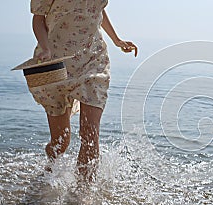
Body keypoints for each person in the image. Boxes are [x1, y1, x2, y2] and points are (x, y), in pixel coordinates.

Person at [30, 0, 138, 181]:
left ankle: (83, 195)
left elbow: (97, 12)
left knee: (90, 131)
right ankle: (50, 170)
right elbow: (38, 19)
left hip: (93, 60)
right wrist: (45, 47)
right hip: (56, 62)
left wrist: (117, 40)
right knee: (60, 141)